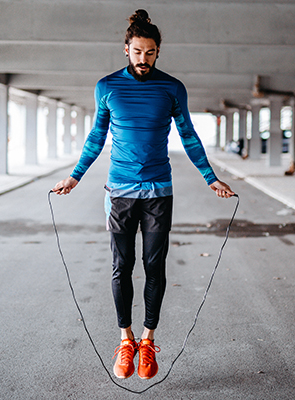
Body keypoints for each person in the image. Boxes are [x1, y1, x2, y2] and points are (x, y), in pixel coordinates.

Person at [52, 9, 234, 380]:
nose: (143, 59)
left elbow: (188, 136)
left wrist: (209, 177)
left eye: (150, 52)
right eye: (137, 51)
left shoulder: (172, 88)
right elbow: (96, 138)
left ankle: (148, 341)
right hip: (119, 191)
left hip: (157, 191)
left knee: (154, 266)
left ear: (157, 52)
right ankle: (125, 339)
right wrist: (74, 177)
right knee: (122, 267)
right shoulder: (107, 87)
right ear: (126, 49)